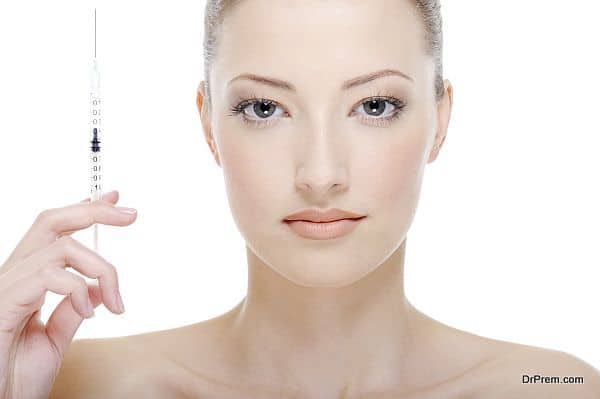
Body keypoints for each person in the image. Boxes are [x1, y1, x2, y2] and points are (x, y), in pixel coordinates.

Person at [0, 0, 598, 398]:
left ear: (439, 119)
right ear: (209, 125)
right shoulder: (76, 387)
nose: (320, 174)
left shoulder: (552, 387)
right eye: (264, 108)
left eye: (374, 106)